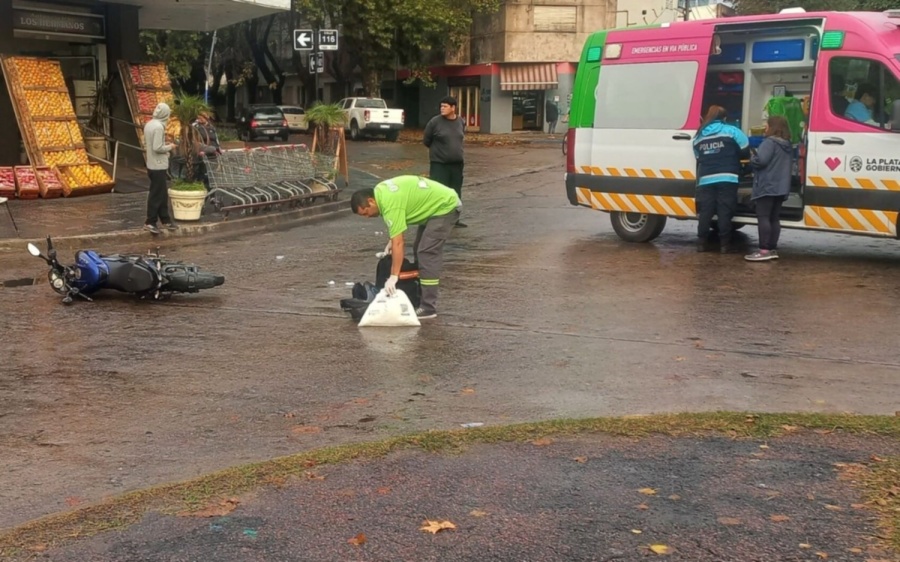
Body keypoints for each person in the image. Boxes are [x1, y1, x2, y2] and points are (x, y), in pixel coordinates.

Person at [351, 175, 461, 319]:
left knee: (426, 253)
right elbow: (398, 224)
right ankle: (419, 297)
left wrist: (393, 276)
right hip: (435, 206)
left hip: (445, 207)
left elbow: (399, 243)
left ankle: (428, 308)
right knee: (418, 249)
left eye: (366, 212)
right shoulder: (381, 193)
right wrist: (392, 240)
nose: (367, 217)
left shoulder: (389, 203)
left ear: (371, 201)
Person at [693, 105, 750, 253]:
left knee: (706, 212)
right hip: (728, 177)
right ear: (724, 118)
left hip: (706, 179)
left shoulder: (699, 136)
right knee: (725, 211)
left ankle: (701, 243)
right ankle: (725, 245)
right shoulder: (732, 131)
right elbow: (745, 149)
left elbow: (698, 157)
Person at [745, 116, 793, 262]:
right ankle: (772, 249)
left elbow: (761, 161)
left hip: (767, 185)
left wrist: (752, 158)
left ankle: (764, 250)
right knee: (774, 218)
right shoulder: (787, 144)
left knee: (763, 217)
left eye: (767, 125)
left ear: (773, 127)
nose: (765, 128)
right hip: (781, 187)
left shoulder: (769, 143)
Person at [423, 96, 467, 227]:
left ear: (453, 108)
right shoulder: (434, 122)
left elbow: (460, 137)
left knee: (455, 191)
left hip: (457, 164)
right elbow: (426, 141)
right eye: (441, 106)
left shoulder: (460, 121)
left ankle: (454, 219)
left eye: (445, 106)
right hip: (439, 164)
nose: (442, 108)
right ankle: (437, 219)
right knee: (438, 191)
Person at [143, 103, 176, 235]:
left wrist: (163, 144)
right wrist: (170, 147)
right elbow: (157, 148)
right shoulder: (158, 127)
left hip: (151, 163)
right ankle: (150, 221)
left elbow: (149, 144)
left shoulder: (149, 124)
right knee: (156, 193)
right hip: (158, 164)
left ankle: (165, 219)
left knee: (162, 193)